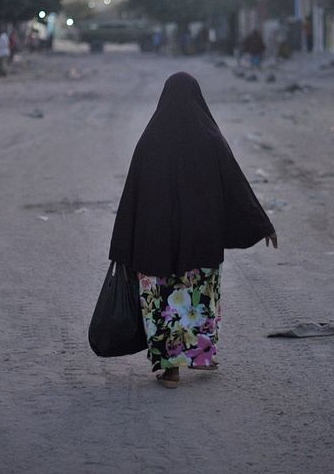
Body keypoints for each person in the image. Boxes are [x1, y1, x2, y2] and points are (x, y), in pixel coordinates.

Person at [109, 72, 278, 389]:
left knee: (161, 301)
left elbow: (131, 195)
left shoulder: (150, 141)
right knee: (194, 296)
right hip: (199, 244)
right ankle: (199, 354)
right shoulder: (210, 140)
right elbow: (236, 188)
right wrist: (262, 224)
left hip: (154, 244)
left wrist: (124, 244)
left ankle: (171, 369)